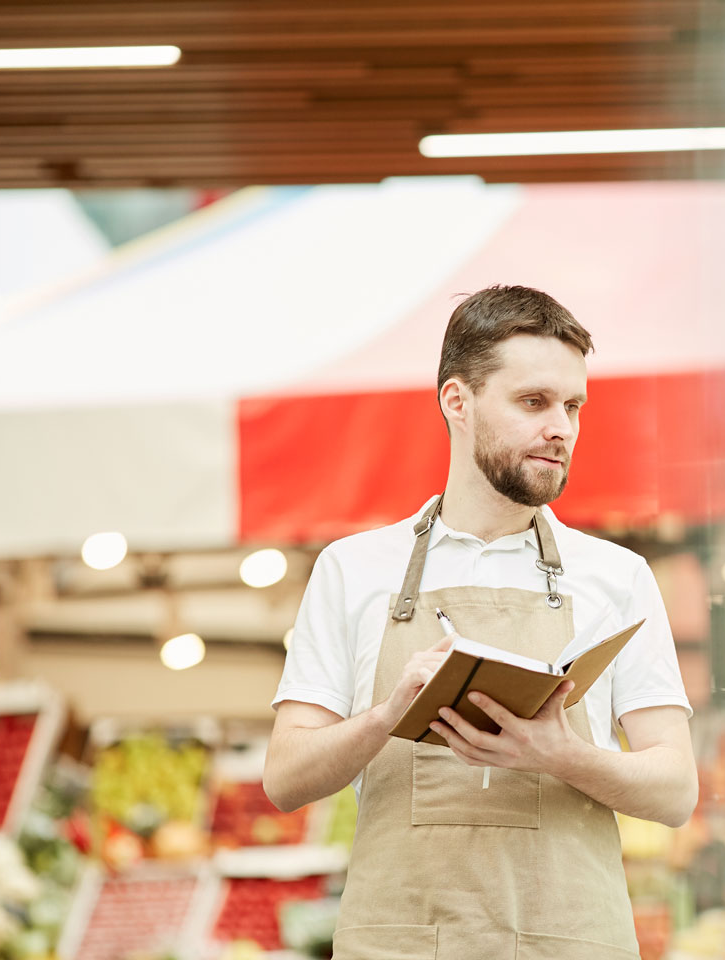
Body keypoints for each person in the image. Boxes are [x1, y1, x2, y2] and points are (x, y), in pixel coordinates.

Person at [263, 285, 697, 959]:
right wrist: (390, 714)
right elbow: (285, 778)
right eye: (534, 402)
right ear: (457, 402)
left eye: (573, 405)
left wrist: (558, 754)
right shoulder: (354, 569)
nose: (562, 427)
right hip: (402, 943)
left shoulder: (618, 577)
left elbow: (675, 790)